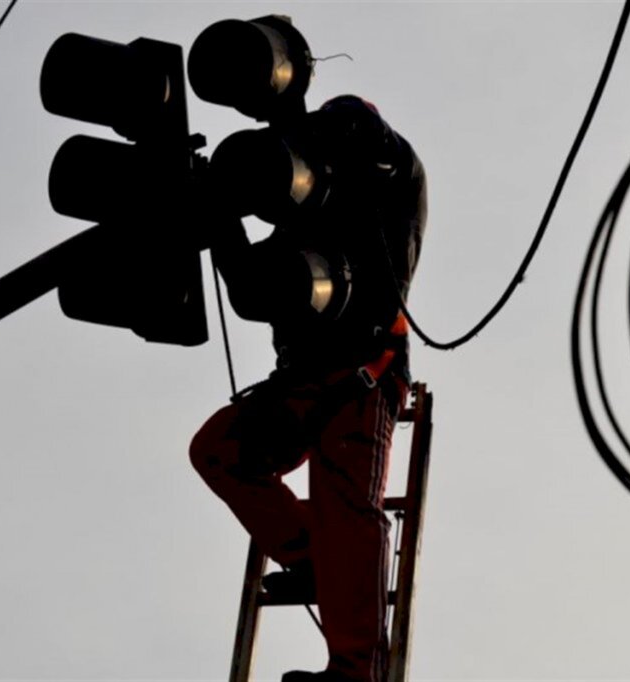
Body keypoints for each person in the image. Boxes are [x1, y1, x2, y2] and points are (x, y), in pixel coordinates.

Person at [189, 95, 427, 682]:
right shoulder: (300, 218)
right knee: (220, 449)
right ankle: (311, 557)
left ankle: (355, 673)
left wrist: (312, 127)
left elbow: (374, 142)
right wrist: (216, 205)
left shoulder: (389, 187)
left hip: (362, 375)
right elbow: (250, 286)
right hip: (300, 379)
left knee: (347, 507)